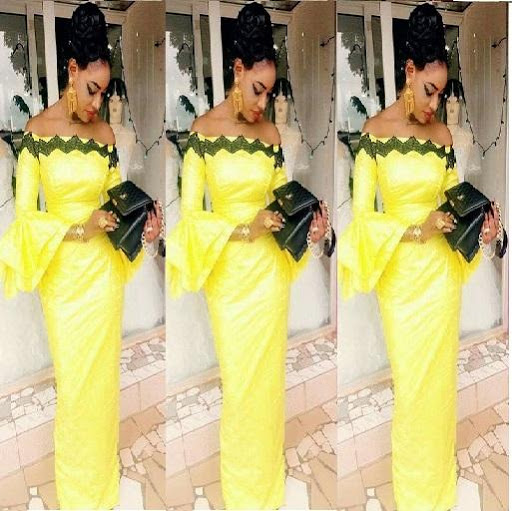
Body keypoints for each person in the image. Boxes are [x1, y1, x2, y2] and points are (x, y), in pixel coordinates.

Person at [338, 4, 500, 510]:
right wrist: (416, 227)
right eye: (429, 90)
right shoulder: (374, 134)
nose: (436, 103)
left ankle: (439, 491)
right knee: (412, 389)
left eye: (443, 93)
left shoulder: (443, 137)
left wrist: (483, 226)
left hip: (441, 278)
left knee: (440, 385)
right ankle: (413, 497)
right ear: (409, 71)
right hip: (401, 279)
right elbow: (361, 222)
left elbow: (455, 204)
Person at [166, 3, 329, 508]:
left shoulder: (271, 136)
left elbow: (283, 203)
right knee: (240, 386)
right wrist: (244, 227)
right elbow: (189, 220)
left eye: (271, 92)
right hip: (229, 277)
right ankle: (241, 495)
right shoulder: (202, 132)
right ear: (237, 70)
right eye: (258, 89)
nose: (264, 102)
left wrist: (309, 226)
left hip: (270, 276)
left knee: (268, 384)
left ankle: (267, 490)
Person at [0, 3, 162, 508]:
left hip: (104, 276)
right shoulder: (36, 133)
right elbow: (25, 221)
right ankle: (76, 495)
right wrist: (79, 226)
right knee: (74, 387)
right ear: (71, 70)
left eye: (105, 92)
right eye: (92, 89)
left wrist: (143, 223)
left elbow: (116, 201)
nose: (98, 102)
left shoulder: (106, 136)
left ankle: (102, 488)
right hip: (64, 279)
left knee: (103, 384)